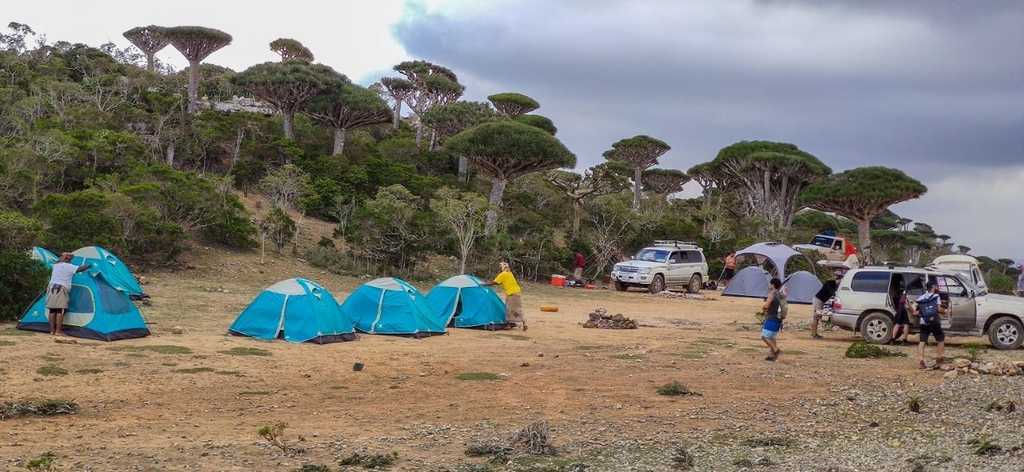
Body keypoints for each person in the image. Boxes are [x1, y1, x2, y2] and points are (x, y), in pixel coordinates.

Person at [46, 253, 90, 336]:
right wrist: (89, 265)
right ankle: (58, 331)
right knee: (60, 310)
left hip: (51, 288)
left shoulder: (56, 265)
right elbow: (80, 269)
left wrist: (64, 256)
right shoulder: (68, 266)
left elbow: (60, 259)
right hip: (61, 288)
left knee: (52, 310)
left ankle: (52, 331)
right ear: (68, 259)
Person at [911, 281, 948, 369]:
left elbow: (916, 312)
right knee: (940, 339)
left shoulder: (921, 298)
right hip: (934, 321)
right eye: (935, 286)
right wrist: (945, 311)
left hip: (924, 321)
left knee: (922, 341)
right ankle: (939, 360)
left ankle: (921, 361)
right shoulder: (936, 296)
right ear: (933, 287)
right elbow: (938, 309)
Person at [484, 261, 527, 331]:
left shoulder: (503, 274)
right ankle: (514, 323)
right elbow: (499, 282)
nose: (500, 268)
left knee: (510, 309)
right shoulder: (509, 273)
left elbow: (495, 282)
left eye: (501, 266)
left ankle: (518, 323)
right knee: (514, 308)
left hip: (511, 293)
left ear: (503, 267)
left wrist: (484, 284)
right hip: (516, 292)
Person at [760, 278, 785, 361]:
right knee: (772, 337)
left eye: (770, 284)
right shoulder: (780, 294)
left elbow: (766, 306)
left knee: (764, 337)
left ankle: (776, 350)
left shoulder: (772, 293)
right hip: (778, 319)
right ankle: (772, 356)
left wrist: (763, 309)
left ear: (773, 285)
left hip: (771, 318)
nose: (769, 285)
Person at [890, 277, 911, 345]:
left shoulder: (896, 291)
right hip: (904, 309)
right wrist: (912, 310)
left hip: (899, 309)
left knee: (897, 324)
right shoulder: (905, 291)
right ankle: (904, 340)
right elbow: (905, 302)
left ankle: (892, 340)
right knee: (906, 324)